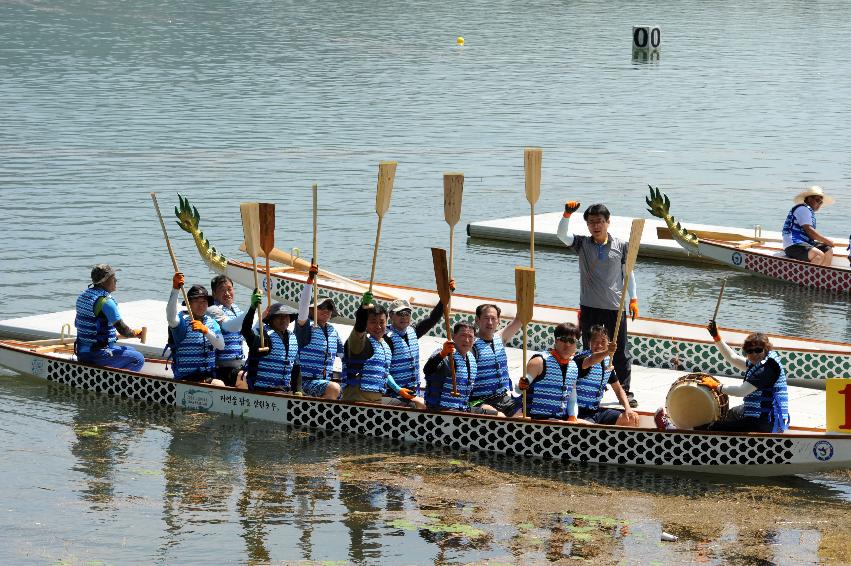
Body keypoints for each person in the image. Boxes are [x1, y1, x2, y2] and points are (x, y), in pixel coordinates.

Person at [557, 201, 639, 408]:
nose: (596, 226)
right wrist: (567, 214)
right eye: (591, 222)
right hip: (589, 306)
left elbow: (628, 274)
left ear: (608, 222)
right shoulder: (583, 244)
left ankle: (625, 391)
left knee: (618, 350)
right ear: (587, 225)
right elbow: (562, 236)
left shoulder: (621, 246)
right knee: (589, 348)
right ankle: (588, 385)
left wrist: (634, 299)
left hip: (614, 307)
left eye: (600, 221)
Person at [701, 320, 789, 433]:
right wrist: (716, 337)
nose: (754, 354)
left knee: (712, 427)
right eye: (750, 351)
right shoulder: (760, 362)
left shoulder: (765, 369)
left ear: (766, 349)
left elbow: (741, 391)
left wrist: (717, 386)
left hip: (766, 422)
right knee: (732, 413)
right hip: (765, 415)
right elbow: (733, 358)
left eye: (758, 350)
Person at [342, 293, 426, 409]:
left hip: (377, 400)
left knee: (414, 404)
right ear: (366, 324)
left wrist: (399, 390)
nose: (378, 326)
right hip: (357, 402)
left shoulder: (385, 346)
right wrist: (363, 308)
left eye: (381, 322)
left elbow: (385, 374)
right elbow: (359, 328)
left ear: (387, 322)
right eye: (373, 322)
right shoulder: (360, 342)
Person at [74, 264, 145, 371]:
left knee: (130, 349)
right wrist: (135, 333)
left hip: (82, 351)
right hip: (96, 354)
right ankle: (119, 382)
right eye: (113, 278)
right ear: (103, 282)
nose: (116, 280)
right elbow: (123, 330)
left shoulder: (83, 296)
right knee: (138, 358)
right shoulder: (106, 302)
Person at [574, 325, 640, 427]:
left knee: (630, 419)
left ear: (608, 343)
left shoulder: (607, 363)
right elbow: (592, 360)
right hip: (578, 413)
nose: (599, 345)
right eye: (595, 341)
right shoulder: (581, 359)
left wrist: (628, 408)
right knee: (589, 426)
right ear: (589, 343)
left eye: (603, 341)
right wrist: (608, 351)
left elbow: (619, 390)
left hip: (595, 412)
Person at [166, 273, 226, 384]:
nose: (201, 305)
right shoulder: (181, 322)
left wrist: (206, 330)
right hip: (187, 378)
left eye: (204, 301)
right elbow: (170, 317)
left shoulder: (213, 323)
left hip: (207, 376)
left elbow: (221, 345)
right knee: (219, 384)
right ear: (189, 304)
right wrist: (175, 289)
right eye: (196, 301)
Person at [294, 264, 342, 400]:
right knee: (334, 388)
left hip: (324, 382)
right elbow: (302, 306)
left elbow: (345, 354)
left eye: (329, 307)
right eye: (321, 307)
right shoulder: (305, 326)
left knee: (347, 390)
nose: (326, 310)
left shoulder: (332, 331)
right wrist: (310, 281)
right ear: (311, 310)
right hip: (304, 382)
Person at [514, 323, 581, 421]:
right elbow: (518, 390)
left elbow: (572, 399)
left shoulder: (574, 367)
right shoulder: (539, 361)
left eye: (572, 341)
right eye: (563, 339)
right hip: (536, 420)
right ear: (555, 341)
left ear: (576, 344)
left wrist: (573, 416)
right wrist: (521, 385)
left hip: (559, 421)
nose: (567, 344)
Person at [383, 297, 445, 401]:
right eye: (400, 314)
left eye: (407, 313)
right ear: (391, 316)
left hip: (413, 391)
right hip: (394, 393)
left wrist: (445, 296)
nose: (404, 317)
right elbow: (383, 370)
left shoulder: (413, 331)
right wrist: (398, 389)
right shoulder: (386, 337)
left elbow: (432, 319)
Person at [423, 321, 492, 413]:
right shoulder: (445, 355)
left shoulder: (471, 358)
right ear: (453, 336)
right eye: (463, 335)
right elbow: (428, 369)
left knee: (495, 412)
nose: (467, 340)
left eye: (470, 337)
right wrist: (442, 354)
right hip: (442, 409)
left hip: (463, 407)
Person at [241, 291, 302, 393]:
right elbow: (246, 330)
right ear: (271, 319)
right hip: (263, 390)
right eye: (279, 316)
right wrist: (252, 308)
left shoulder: (292, 338)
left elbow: (296, 368)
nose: (283, 320)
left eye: (286, 316)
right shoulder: (263, 336)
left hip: (285, 390)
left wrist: (298, 390)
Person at [471, 304, 522, 417]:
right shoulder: (471, 344)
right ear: (477, 320)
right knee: (499, 416)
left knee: (523, 415)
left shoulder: (500, 338)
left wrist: (527, 292)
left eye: (493, 318)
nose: (490, 322)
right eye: (486, 318)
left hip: (502, 398)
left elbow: (520, 319)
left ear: (498, 321)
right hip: (478, 400)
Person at [206, 275, 247, 387]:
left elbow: (247, 331)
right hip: (222, 367)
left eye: (229, 289)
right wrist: (251, 309)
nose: (227, 293)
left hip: (239, 364)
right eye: (222, 290)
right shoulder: (213, 309)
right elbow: (231, 326)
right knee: (247, 378)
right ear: (214, 293)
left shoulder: (236, 309)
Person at [782, 186, 835, 266]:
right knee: (818, 255)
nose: (819, 204)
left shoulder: (808, 211)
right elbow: (810, 231)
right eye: (817, 200)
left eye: (821, 202)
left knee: (827, 250)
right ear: (809, 199)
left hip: (804, 243)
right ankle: (809, 277)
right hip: (792, 243)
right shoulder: (803, 209)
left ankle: (822, 276)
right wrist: (827, 241)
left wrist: (827, 243)